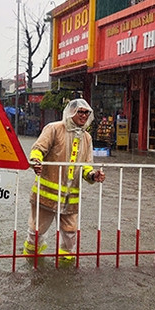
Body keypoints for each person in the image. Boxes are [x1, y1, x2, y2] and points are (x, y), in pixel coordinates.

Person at [25, 98, 106, 263]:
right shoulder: (54, 129)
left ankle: (65, 265)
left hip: (70, 197)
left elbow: (86, 166)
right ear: (71, 112)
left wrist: (93, 175)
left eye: (86, 112)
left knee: (70, 233)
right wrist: (36, 162)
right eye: (80, 112)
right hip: (47, 195)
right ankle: (31, 261)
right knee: (36, 231)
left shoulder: (87, 138)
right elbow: (38, 149)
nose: (84, 115)